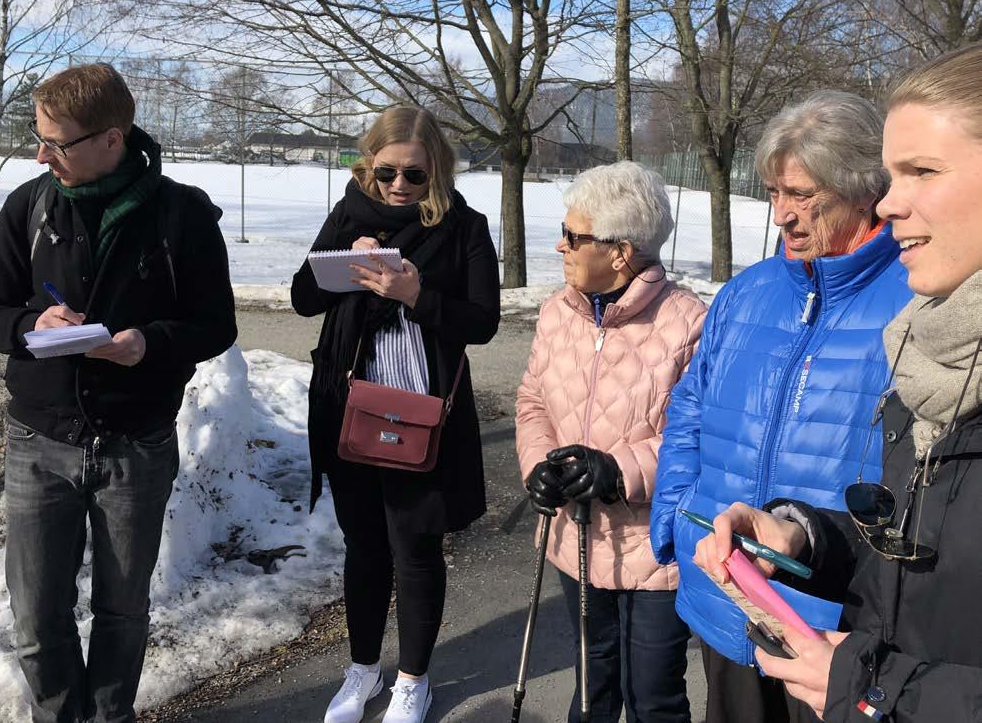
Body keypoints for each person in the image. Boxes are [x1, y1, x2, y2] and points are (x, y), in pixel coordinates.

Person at [695, 41, 982, 723]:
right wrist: (801, 535)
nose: (891, 204)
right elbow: (919, 556)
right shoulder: (928, 343)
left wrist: (873, 686)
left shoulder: (899, 309)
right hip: (813, 646)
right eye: (890, 174)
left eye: (920, 171)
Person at [0, 63, 237, 723]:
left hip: (135, 447)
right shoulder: (30, 206)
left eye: (56, 143)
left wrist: (148, 343)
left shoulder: (182, 215)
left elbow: (215, 324)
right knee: (36, 617)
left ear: (112, 139)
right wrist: (32, 324)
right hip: (39, 442)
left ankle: (111, 717)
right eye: (37, 138)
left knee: (122, 611)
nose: (41, 154)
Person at [649, 91, 911, 723]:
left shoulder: (914, 295)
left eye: (803, 196)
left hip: (836, 622)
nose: (782, 217)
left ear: (861, 189)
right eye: (773, 194)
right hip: (728, 593)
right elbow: (688, 410)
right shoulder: (747, 293)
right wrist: (678, 520)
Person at [291, 105, 500, 723]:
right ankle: (361, 671)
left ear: (437, 169)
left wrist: (416, 295)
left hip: (420, 414)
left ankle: (413, 679)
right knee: (363, 547)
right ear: (368, 166)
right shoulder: (351, 211)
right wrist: (345, 266)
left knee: (414, 547)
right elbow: (303, 297)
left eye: (415, 175)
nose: (400, 187)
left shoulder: (464, 226)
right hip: (349, 404)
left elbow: (483, 322)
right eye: (387, 173)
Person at [515, 161, 707, 723]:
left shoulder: (689, 322)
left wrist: (618, 469)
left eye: (574, 237)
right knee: (592, 687)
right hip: (574, 536)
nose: (561, 246)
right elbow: (532, 403)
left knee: (652, 697)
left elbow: (698, 438)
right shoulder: (557, 313)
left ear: (620, 252)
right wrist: (536, 466)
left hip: (654, 546)